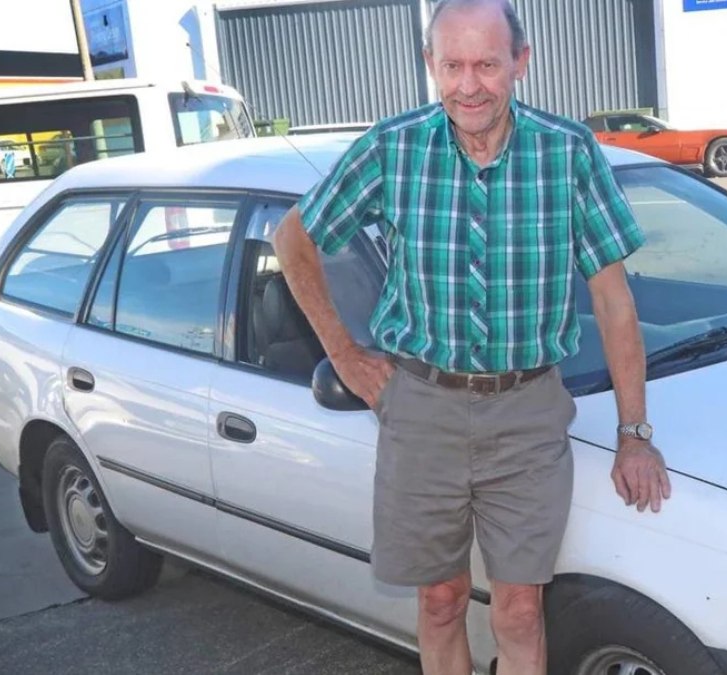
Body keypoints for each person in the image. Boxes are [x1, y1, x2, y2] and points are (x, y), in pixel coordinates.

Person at [271, 1, 670, 673]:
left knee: (518, 607)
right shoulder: (393, 148)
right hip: (422, 408)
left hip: (528, 411)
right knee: (441, 599)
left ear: (521, 61)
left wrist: (635, 432)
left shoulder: (566, 151)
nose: (468, 84)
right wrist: (343, 352)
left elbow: (613, 300)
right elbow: (293, 237)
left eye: (487, 63)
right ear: (430, 65)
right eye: (452, 65)